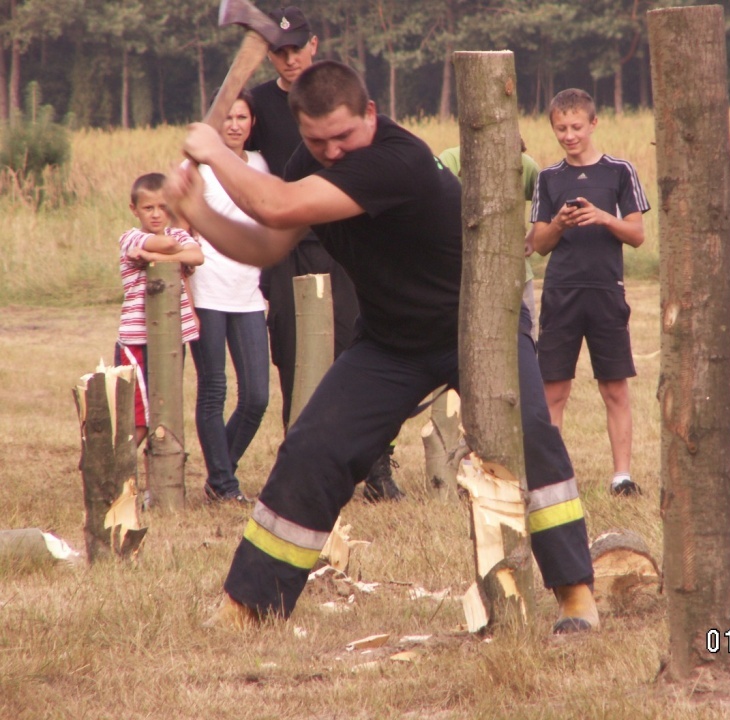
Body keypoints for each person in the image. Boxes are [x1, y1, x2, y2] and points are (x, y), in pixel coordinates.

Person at [166, 60, 599, 635]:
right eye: (318, 142)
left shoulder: (401, 159)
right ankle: (251, 605)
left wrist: (214, 152)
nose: (334, 152)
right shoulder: (308, 163)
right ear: (301, 132)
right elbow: (266, 243)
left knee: (531, 440)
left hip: (476, 323)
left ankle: (576, 594)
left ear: (370, 114)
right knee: (312, 448)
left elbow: (276, 205)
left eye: (344, 136)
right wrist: (195, 209)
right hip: (392, 340)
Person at [250, 6, 401, 502]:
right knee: (295, 355)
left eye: (297, 49)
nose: (289, 60)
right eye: (279, 51)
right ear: (267, 55)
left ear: (313, 46)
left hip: (345, 243)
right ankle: (302, 465)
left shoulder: (339, 97)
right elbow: (230, 143)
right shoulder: (256, 106)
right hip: (291, 245)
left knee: (360, 349)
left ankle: (378, 466)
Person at [529, 88, 650, 497]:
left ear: (593, 124)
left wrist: (602, 217)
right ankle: (552, 479)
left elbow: (637, 235)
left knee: (614, 386)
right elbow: (539, 244)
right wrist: (561, 223)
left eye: (576, 127)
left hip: (606, 291)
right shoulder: (548, 178)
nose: (568, 135)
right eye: (560, 128)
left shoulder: (620, 172)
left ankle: (622, 477)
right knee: (553, 390)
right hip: (560, 291)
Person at [188, 89, 270, 505]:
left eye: (242, 117)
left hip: (249, 292)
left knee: (257, 395)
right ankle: (223, 485)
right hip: (206, 290)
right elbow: (179, 225)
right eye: (228, 118)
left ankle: (221, 471)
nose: (235, 125)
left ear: (252, 122)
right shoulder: (197, 169)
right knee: (214, 389)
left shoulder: (261, 165)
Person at [116, 173, 203, 483]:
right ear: (134, 209)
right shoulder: (130, 237)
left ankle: (157, 483)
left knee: (164, 412)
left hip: (169, 339)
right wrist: (165, 251)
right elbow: (167, 242)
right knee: (139, 418)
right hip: (137, 340)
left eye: (163, 207)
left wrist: (152, 257)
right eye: (148, 207)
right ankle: (113, 472)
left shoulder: (178, 238)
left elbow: (197, 256)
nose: (155, 214)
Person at [437, 141, 541, 339]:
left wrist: (532, 238)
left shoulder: (524, 165)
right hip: (462, 273)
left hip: (516, 274)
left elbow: (548, 203)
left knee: (523, 340)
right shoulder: (450, 160)